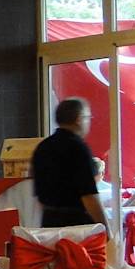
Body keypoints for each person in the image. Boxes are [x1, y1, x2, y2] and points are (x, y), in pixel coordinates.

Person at [31, 97, 109, 231]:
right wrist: (106, 229)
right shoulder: (78, 148)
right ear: (79, 119)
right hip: (77, 226)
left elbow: (38, 195)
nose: (89, 122)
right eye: (88, 117)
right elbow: (89, 196)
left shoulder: (42, 147)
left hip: (48, 223)